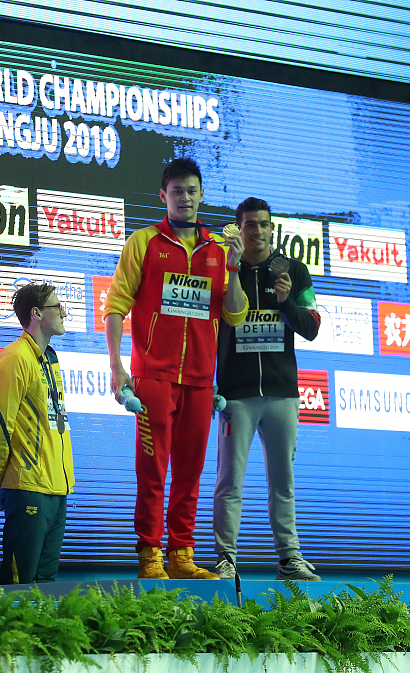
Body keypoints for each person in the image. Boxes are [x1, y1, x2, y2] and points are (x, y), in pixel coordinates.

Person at [104, 157, 248, 579]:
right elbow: (115, 307)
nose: (185, 198)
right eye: (177, 191)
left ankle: (181, 555)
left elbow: (235, 314)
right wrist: (116, 367)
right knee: (152, 472)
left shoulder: (219, 249)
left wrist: (235, 267)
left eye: (191, 190)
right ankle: (150, 554)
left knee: (190, 473)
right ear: (163, 196)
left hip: (201, 383)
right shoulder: (144, 242)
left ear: (202, 195)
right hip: (153, 378)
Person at [212, 197, 322, 581]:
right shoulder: (224, 268)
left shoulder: (294, 270)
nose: (256, 231)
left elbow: (312, 327)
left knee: (283, 482)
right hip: (236, 395)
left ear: (272, 228)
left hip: (282, 394)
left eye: (263, 224)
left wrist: (286, 303)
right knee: (229, 481)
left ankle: (289, 558)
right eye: (249, 225)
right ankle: (226, 559)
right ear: (239, 229)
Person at [0, 283, 73, 585]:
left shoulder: (49, 359)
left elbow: (56, 424)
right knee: (18, 586)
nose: (63, 312)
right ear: (36, 313)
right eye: (57, 307)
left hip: (57, 490)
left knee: (46, 588)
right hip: (27, 488)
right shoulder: (15, 357)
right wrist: (2, 481)